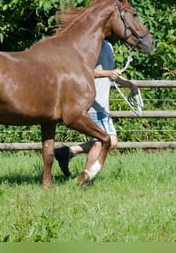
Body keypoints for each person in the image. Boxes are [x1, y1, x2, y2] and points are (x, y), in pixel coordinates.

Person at [54, 39, 139, 177]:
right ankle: (86, 176)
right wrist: (107, 73)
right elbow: (83, 72)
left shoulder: (109, 47)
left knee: (112, 141)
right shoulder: (90, 46)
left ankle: (68, 152)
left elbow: (113, 75)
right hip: (92, 103)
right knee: (99, 141)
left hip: (103, 105)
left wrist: (129, 84)